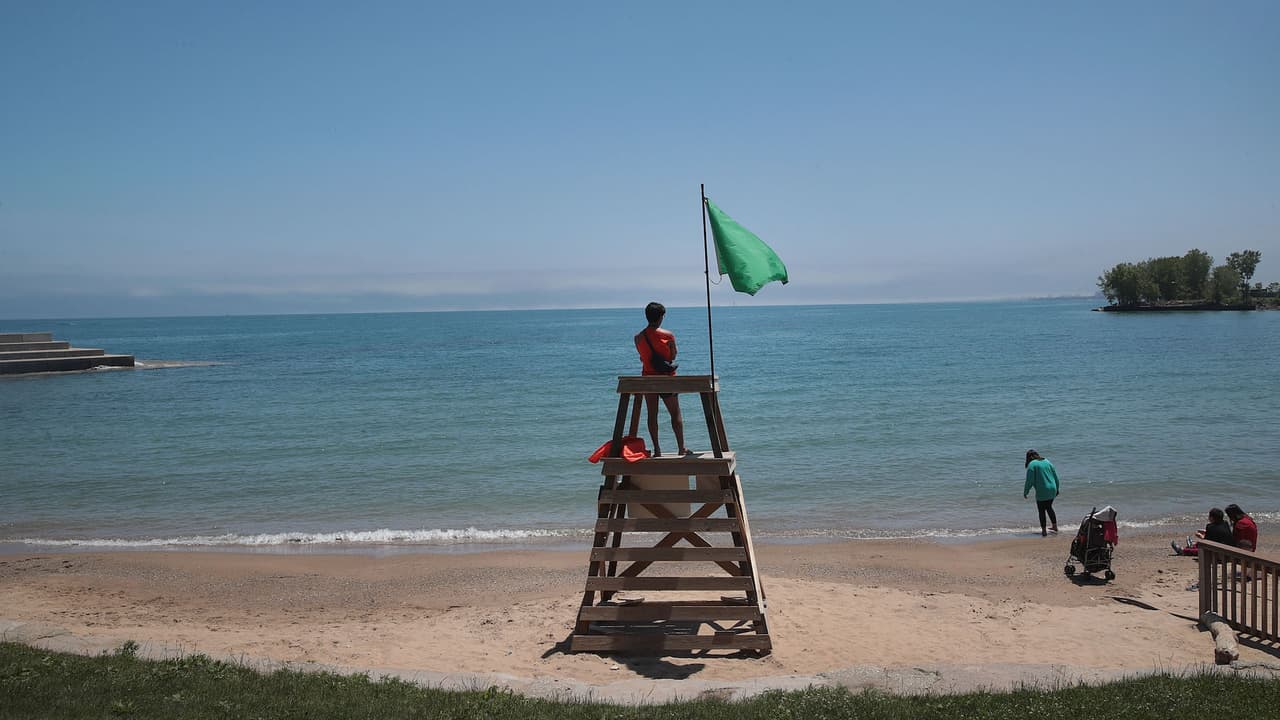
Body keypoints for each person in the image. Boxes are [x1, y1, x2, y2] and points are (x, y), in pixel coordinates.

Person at [634, 302, 687, 457]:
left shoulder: (638, 338)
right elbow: (672, 356)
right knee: (675, 413)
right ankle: (681, 448)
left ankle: (657, 450)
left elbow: (642, 357)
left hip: (648, 380)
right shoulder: (668, 335)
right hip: (666, 379)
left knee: (652, 415)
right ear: (661, 317)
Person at [1023, 449, 1060, 537]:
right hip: (1052, 488)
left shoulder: (1032, 465)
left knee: (1041, 510)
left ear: (1028, 458)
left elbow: (1029, 480)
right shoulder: (1047, 461)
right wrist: (1057, 488)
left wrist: (1026, 491)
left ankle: (1044, 531)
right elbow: (1055, 476)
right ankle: (1055, 526)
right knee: (1049, 507)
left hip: (1042, 490)